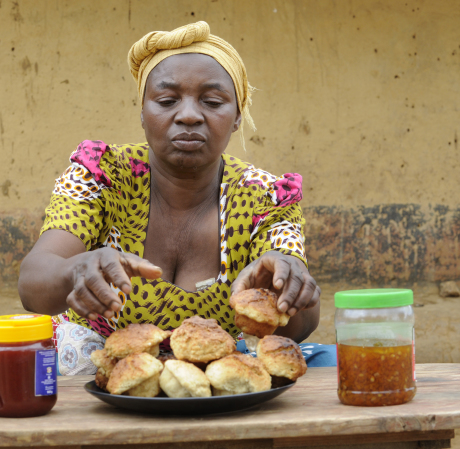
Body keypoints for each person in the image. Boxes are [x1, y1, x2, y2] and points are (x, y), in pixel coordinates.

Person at [18, 22, 335, 375]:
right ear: (142, 112)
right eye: (167, 101)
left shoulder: (266, 196)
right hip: (101, 366)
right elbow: (33, 283)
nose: (188, 115)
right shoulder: (102, 175)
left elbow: (300, 325)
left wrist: (291, 292)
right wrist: (73, 270)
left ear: (236, 118)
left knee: (327, 361)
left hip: (217, 372)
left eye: (212, 102)